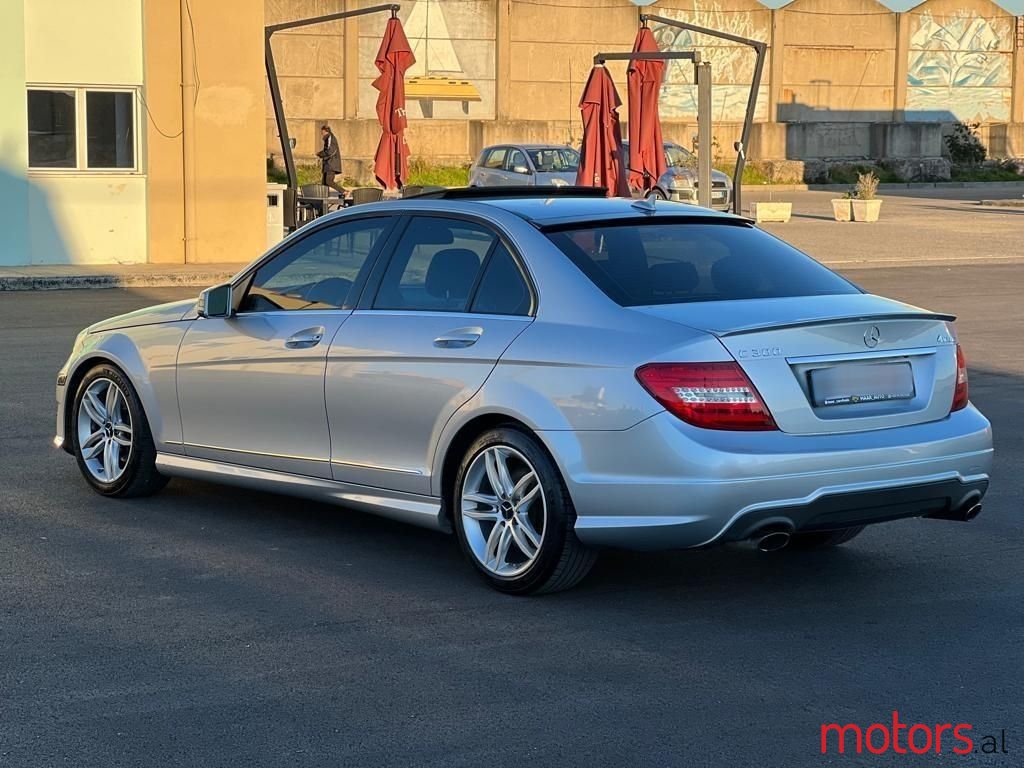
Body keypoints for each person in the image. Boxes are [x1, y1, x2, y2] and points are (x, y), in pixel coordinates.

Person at [317, 125, 344, 196]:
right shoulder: (328, 138)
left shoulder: (330, 137)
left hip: (331, 164)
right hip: (328, 163)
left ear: (326, 131)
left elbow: (330, 151)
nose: (321, 134)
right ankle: (323, 196)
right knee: (324, 182)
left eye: (322, 132)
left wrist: (320, 154)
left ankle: (344, 191)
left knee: (329, 181)